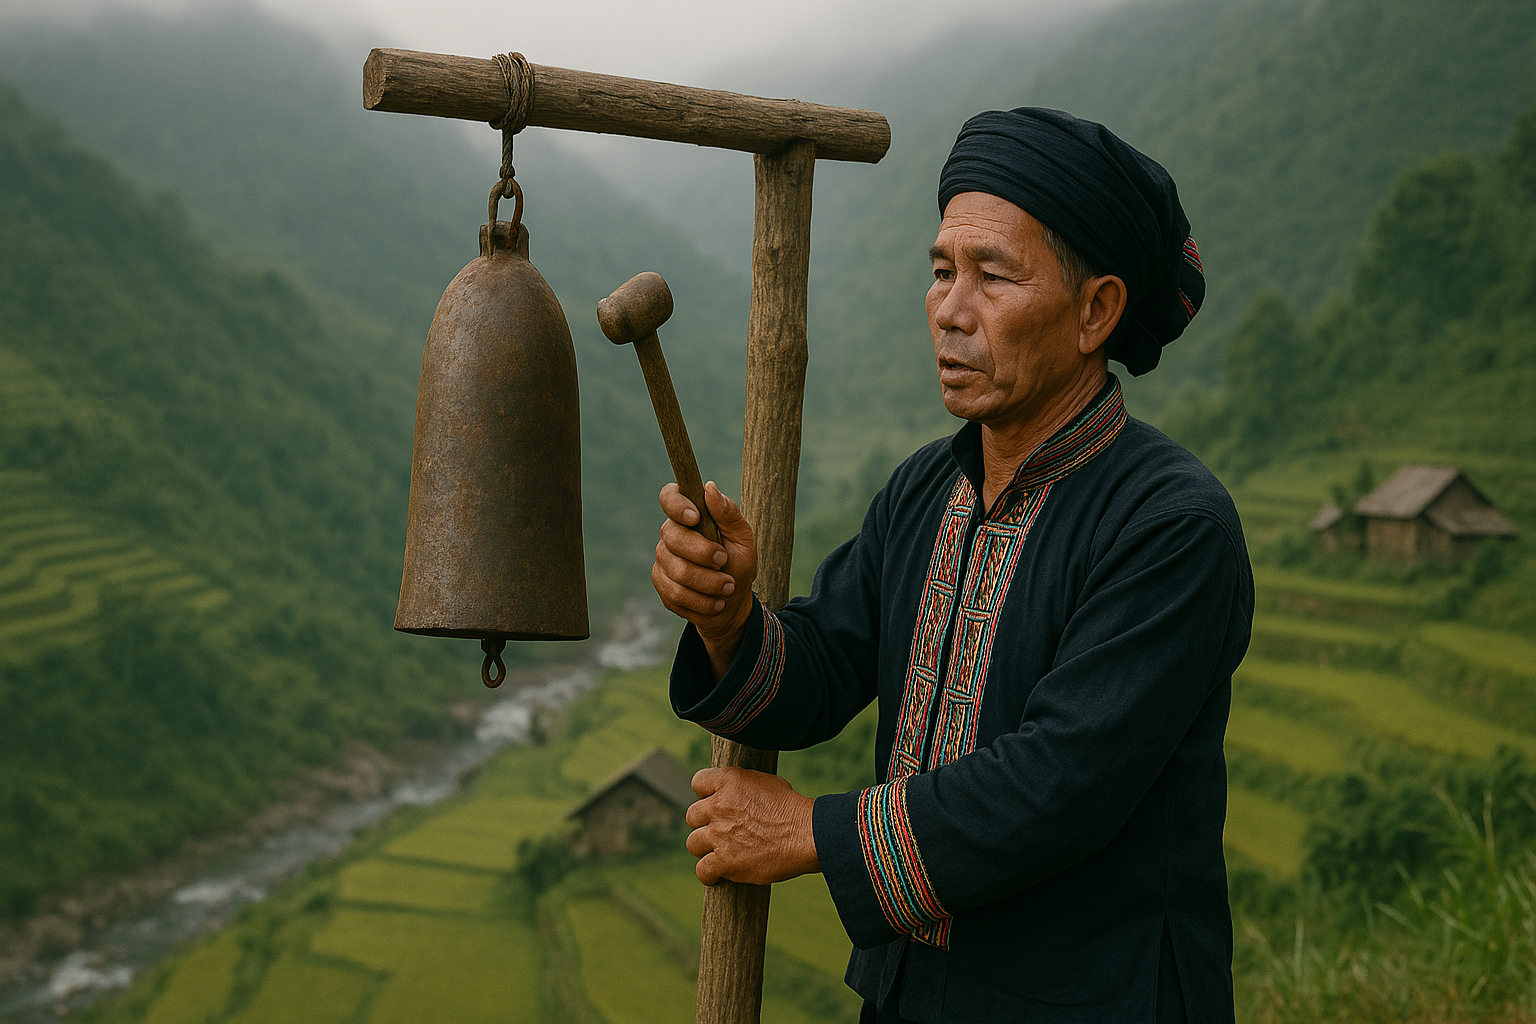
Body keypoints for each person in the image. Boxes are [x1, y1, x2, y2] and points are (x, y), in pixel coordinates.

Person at [651, 107, 1253, 1024]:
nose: (949, 309)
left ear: (1097, 311)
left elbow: (1057, 785)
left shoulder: (1171, 528)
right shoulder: (926, 490)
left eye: (992, 276)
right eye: (941, 271)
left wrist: (806, 830)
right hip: (910, 997)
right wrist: (727, 615)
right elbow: (820, 666)